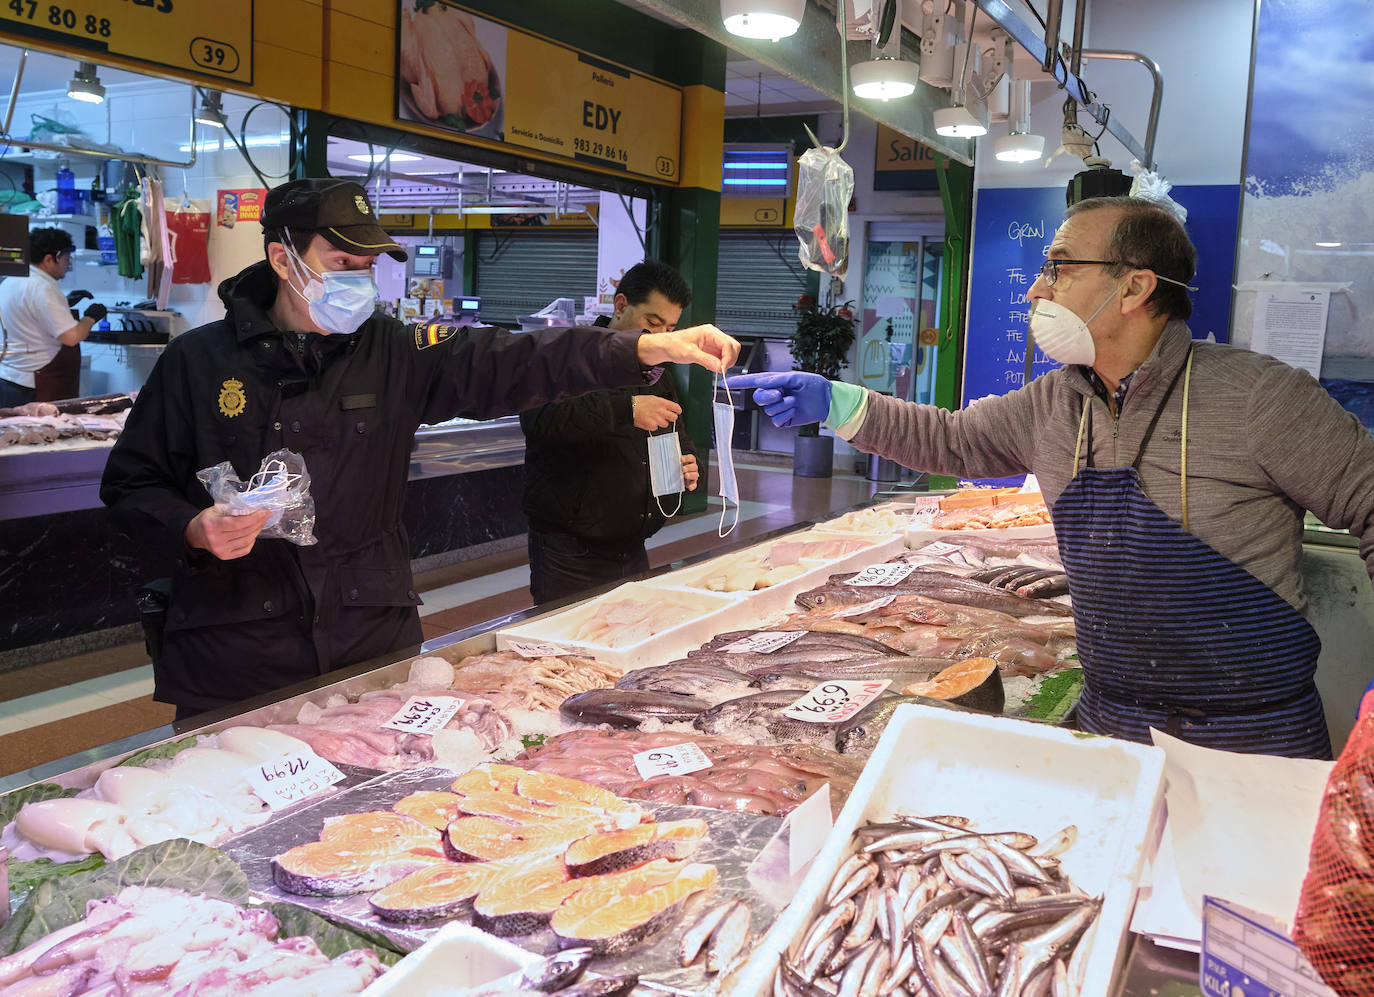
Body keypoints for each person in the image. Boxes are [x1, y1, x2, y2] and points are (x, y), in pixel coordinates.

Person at [733, 195, 1374, 759]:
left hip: (1255, 736)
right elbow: (951, 438)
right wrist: (837, 403)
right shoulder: (1055, 402)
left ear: (1134, 288)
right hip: (1110, 723)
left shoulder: (1261, 396)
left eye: (1058, 268)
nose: (1036, 289)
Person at [100, 178, 738, 720]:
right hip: (238, 642)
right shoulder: (197, 361)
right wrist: (192, 527)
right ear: (281, 257)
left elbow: (511, 359)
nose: (358, 278)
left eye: (367, 264)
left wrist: (641, 348)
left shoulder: (394, 351)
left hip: (369, 631)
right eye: (340, 261)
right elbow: (130, 485)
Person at [521, 261, 699, 604]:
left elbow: (675, 430)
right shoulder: (570, 353)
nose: (661, 337)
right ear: (620, 306)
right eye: (653, 323)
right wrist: (627, 410)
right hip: (570, 554)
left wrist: (691, 467)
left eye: (671, 328)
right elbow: (540, 420)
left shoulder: (658, 371)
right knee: (566, 652)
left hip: (632, 547)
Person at [0, 227, 107, 405]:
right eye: (66, 259)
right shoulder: (43, 287)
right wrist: (90, 318)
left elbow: (29, 311)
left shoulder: (11, 280)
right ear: (49, 259)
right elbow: (71, 337)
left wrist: (65, 302)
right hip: (34, 384)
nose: (69, 264)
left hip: (8, 378)